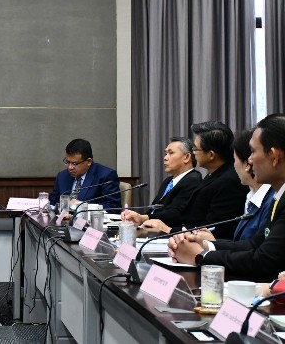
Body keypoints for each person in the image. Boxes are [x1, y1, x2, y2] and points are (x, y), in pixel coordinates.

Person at [168, 114, 285, 282]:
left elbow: (263, 260)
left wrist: (200, 256)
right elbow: (254, 244)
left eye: (252, 151)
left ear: (274, 156)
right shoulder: (278, 196)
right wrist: (206, 245)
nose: (250, 160)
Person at [141, 121, 246, 239]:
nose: (193, 153)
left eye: (195, 149)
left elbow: (214, 229)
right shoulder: (214, 174)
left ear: (211, 155)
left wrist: (169, 230)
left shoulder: (229, 181)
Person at [122, 137, 201, 226]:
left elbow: (175, 214)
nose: (165, 158)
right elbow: (153, 209)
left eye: (171, 153)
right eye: (165, 153)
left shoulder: (193, 180)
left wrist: (143, 218)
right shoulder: (168, 181)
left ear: (186, 157)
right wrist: (138, 218)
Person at [49, 139, 121, 210]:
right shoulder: (62, 176)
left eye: (75, 163)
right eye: (68, 162)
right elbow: (52, 202)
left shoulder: (106, 176)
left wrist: (83, 206)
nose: (70, 167)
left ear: (89, 161)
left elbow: (113, 207)